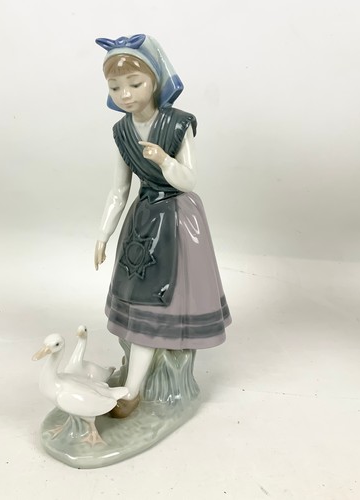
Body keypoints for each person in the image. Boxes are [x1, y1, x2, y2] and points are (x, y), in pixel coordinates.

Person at [94, 34, 231, 418]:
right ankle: (136, 383)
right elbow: (119, 190)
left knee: (164, 303)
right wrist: (103, 233)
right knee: (142, 301)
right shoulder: (122, 132)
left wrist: (164, 160)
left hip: (178, 222)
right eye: (115, 87)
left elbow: (189, 180)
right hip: (143, 223)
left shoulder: (178, 123)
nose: (125, 94)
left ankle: (135, 390)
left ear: (155, 81)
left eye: (135, 84)